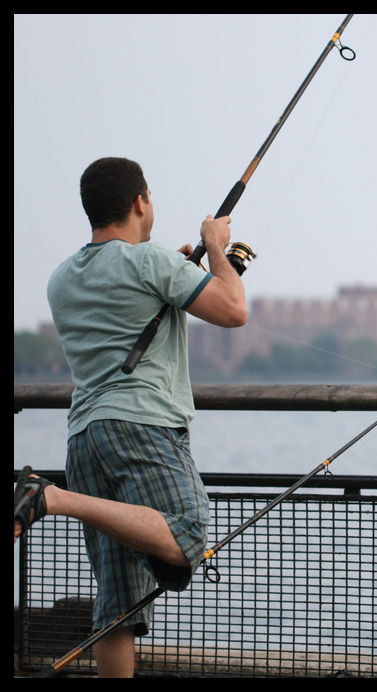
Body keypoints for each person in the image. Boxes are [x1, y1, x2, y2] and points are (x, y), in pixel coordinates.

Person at [13, 156, 248, 677]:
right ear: (140, 201)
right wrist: (214, 248)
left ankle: (55, 496)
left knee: (118, 605)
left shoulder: (62, 277)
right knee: (186, 538)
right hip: (142, 426)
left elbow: (128, 307)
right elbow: (233, 308)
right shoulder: (151, 262)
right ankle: (50, 497)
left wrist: (179, 271)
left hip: (85, 437)